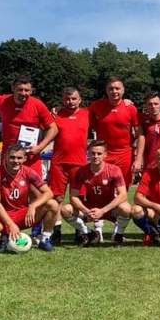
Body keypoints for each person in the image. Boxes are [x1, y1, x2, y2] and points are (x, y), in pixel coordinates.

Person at [0, 144, 59, 252]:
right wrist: (11, 225)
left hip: (23, 215)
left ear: (25, 159)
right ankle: (3, 238)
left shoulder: (28, 172)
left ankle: (45, 239)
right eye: (12, 157)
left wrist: (33, 205)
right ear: (5, 157)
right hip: (2, 215)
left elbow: (48, 193)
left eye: (19, 158)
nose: (15, 161)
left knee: (53, 204)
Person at [0, 75, 58, 174]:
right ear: (13, 88)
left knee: (34, 188)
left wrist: (40, 147)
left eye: (27, 90)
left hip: (30, 156)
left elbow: (53, 128)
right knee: (8, 188)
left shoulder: (38, 105)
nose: (23, 93)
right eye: (20, 89)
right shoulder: (2, 100)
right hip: (9, 156)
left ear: (31, 91)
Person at [60, 140, 132, 247]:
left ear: (105, 155)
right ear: (88, 153)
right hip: (89, 210)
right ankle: (90, 233)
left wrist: (103, 211)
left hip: (109, 210)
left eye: (99, 153)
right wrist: (87, 211)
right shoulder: (81, 172)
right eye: (92, 153)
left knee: (126, 208)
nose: (95, 156)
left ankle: (118, 235)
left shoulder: (114, 170)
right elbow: (73, 197)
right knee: (65, 210)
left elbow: (123, 195)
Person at [49, 87, 90, 245]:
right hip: (59, 163)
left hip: (79, 164)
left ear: (80, 100)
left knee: (77, 199)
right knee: (57, 198)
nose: (70, 102)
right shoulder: (55, 114)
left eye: (74, 99)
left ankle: (79, 231)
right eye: (67, 99)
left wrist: (127, 101)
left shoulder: (87, 114)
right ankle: (56, 231)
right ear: (62, 100)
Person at [88, 77, 144, 188]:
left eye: (117, 88)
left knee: (122, 189)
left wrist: (138, 159)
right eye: (111, 88)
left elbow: (140, 135)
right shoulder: (97, 106)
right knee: (103, 187)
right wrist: (59, 108)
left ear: (123, 90)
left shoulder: (130, 108)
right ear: (106, 90)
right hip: (104, 154)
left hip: (124, 155)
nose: (114, 91)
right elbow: (79, 114)